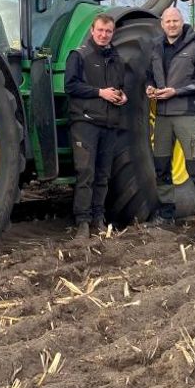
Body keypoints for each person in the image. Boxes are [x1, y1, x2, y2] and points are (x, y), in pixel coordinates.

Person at [145, 7, 195, 239]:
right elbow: (149, 75)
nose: (172, 24)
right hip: (163, 115)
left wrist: (176, 91)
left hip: (188, 114)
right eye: (168, 21)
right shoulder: (156, 47)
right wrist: (149, 87)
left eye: (175, 21)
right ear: (162, 24)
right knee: (161, 167)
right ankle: (166, 214)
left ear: (182, 21)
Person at [64, 13, 128, 239]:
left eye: (108, 31)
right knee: (86, 173)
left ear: (113, 33)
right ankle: (82, 222)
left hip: (109, 123)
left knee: (103, 175)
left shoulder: (117, 59)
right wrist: (100, 92)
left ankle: (98, 220)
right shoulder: (79, 55)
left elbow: (119, 86)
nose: (103, 35)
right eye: (100, 30)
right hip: (86, 122)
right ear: (92, 31)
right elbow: (70, 86)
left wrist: (122, 96)